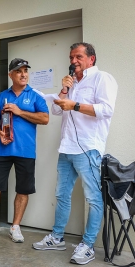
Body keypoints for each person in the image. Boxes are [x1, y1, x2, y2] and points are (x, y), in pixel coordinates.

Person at [33, 42, 118, 265]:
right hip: (66, 147)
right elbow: (56, 110)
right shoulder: (71, 82)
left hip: (88, 148)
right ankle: (57, 237)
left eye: (78, 57)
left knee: (93, 198)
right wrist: (63, 90)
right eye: (71, 57)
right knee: (61, 194)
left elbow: (106, 110)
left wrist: (76, 105)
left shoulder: (103, 79)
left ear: (91, 59)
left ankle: (88, 245)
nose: (73, 61)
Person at [0, 58, 49, 242]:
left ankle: (15, 227)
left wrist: (19, 111)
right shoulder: (1, 96)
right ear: (10, 75)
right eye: (19, 71)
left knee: (22, 190)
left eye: (25, 71)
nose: (23, 74)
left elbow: (45, 118)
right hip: (3, 150)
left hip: (26, 151)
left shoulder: (35, 95)